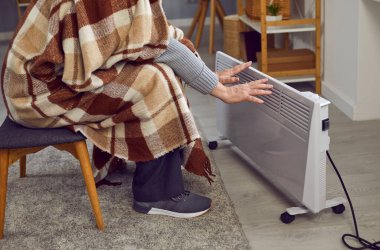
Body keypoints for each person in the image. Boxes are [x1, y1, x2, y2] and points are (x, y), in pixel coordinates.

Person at [1, 0, 272, 218]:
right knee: (153, 79)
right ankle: (155, 194)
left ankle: (153, 164)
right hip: (39, 96)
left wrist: (204, 75)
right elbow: (158, 47)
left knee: (159, 71)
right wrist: (218, 89)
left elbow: (158, 35)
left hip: (48, 81)